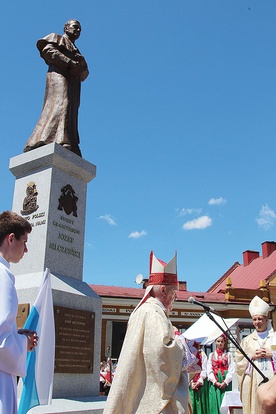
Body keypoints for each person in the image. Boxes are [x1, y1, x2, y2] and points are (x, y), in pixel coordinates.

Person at [103, 251, 194, 414]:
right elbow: (161, 352)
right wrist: (183, 344)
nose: (175, 298)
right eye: (174, 293)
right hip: (156, 402)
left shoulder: (148, 312)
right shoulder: (153, 313)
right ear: (163, 290)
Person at [24, 19, 89, 157]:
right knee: (61, 102)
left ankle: (67, 140)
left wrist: (81, 64)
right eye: (75, 27)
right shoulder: (57, 38)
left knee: (71, 108)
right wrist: (69, 62)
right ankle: (49, 139)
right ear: (66, 28)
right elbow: (47, 51)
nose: (77, 31)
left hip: (73, 83)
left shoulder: (78, 52)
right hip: (58, 76)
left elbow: (84, 75)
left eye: (79, 30)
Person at [0, 211, 38, 414]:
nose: (26, 249)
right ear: (11, 238)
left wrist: (17, 333)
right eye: (24, 242)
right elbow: (0, 341)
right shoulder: (3, 276)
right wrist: (26, 343)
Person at [235, 295, 276, 414]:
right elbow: (238, 361)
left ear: (266, 319)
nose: (257, 322)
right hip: (254, 381)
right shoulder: (246, 341)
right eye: (255, 319)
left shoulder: (274, 337)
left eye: (260, 319)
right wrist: (251, 356)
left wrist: (272, 354)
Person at [207, 334, 235, 414]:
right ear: (215, 342)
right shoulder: (211, 355)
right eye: (218, 341)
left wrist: (225, 382)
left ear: (224, 342)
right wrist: (215, 382)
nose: (220, 343)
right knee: (214, 404)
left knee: (226, 404)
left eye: (222, 341)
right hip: (215, 382)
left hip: (225, 381)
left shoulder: (228, 355)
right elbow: (209, 370)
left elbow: (231, 369)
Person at [189, 344, 209, 414]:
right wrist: (191, 382)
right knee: (191, 404)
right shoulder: (189, 355)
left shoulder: (203, 355)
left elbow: (204, 369)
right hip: (191, 383)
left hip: (200, 383)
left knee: (201, 403)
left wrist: (199, 381)